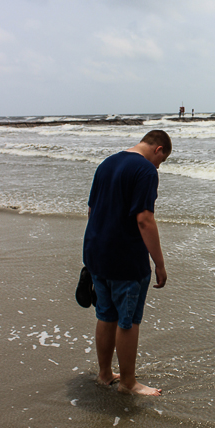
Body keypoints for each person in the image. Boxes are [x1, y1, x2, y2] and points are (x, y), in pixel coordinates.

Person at [82, 129, 172, 395]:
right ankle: (128, 383)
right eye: (162, 160)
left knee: (106, 314)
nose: (158, 166)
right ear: (158, 150)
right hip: (125, 258)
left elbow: (91, 210)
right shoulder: (145, 170)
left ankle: (104, 373)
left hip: (96, 252)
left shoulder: (107, 162)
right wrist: (159, 262)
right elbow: (144, 219)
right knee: (128, 320)